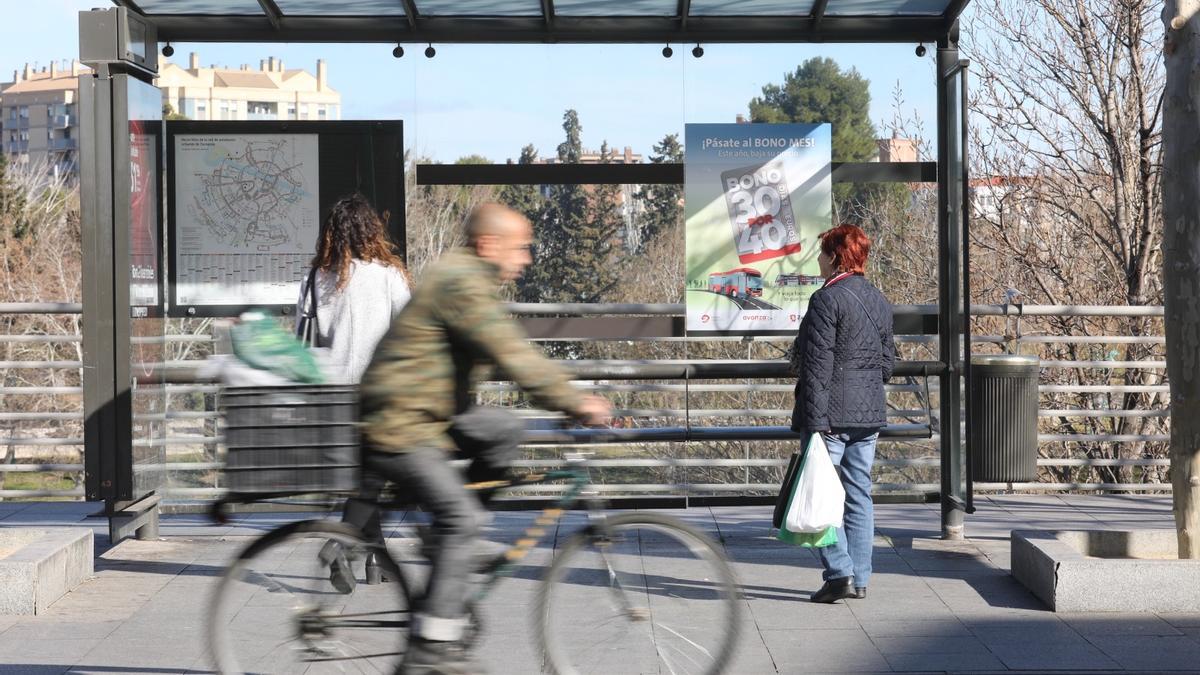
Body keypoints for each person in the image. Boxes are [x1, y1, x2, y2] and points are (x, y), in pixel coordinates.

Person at [356, 203, 612, 674]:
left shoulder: (470, 280)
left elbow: (503, 351)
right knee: (460, 519)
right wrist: (575, 401)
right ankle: (431, 644)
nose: (528, 258)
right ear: (488, 244)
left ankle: (449, 537)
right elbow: (510, 351)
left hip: (430, 412)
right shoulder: (461, 283)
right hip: (399, 423)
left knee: (504, 429)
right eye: (521, 247)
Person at [789, 223, 895, 604]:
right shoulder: (878, 299)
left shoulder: (826, 300)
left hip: (830, 416)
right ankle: (861, 579)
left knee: (817, 491)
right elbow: (887, 365)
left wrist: (815, 424)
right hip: (869, 414)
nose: (818, 261)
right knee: (858, 494)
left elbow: (816, 367)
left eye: (821, 254)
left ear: (835, 257)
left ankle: (839, 573)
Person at [296, 192, 411, 384]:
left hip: (329, 390)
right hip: (378, 387)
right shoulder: (390, 275)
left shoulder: (314, 278)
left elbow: (301, 335)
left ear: (330, 236)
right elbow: (408, 332)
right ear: (372, 233)